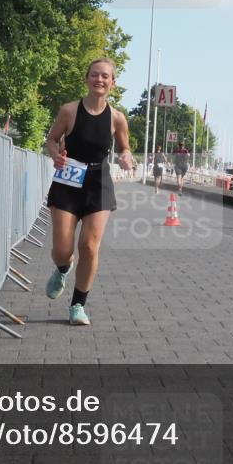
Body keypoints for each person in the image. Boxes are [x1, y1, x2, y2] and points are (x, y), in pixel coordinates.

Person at [43, 58, 133, 326]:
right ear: (87, 79)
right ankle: (62, 268)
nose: (100, 80)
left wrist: (127, 157)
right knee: (62, 248)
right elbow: (50, 139)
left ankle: (78, 305)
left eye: (105, 76)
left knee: (90, 247)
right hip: (68, 179)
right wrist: (56, 154)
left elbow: (124, 147)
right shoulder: (69, 111)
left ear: (113, 83)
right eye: (95, 75)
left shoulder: (117, 118)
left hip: (98, 181)